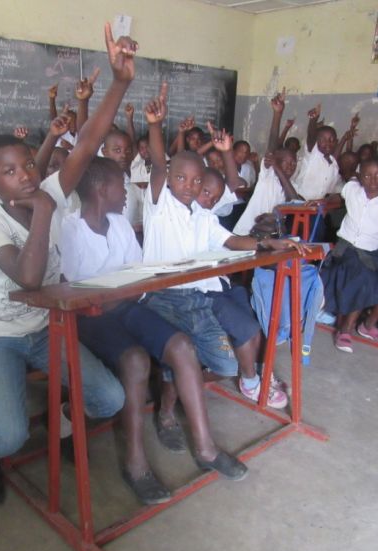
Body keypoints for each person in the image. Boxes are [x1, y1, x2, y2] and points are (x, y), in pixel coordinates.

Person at [0, 23, 137, 509]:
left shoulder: (49, 192)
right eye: (9, 171)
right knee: (10, 435)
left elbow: (87, 143)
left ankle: (61, 418)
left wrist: (119, 82)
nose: (25, 175)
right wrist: (43, 209)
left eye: (28, 165)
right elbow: (28, 278)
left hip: (46, 329)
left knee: (109, 399)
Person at [61, 157, 248, 502]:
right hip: (88, 317)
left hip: (126, 305)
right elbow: (71, 291)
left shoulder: (119, 225)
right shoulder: (69, 229)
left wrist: (128, 293)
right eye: (121, 185)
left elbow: (138, 274)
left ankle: (206, 448)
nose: (127, 193)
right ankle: (135, 464)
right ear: (101, 189)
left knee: (182, 346)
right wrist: (117, 293)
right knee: (135, 361)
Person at [142, 82, 309, 414]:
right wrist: (155, 125)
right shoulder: (160, 205)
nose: (189, 186)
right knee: (185, 348)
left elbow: (232, 241)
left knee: (227, 363)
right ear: (169, 178)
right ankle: (170, 392)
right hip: (161, 294)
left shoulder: (203, 216)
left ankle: (185, 368)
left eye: (196, 181)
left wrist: (268, 243)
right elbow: (159, 164)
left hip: (195, 295)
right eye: (181, 178)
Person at [321, 159, 378, 353]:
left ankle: (368, 324)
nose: (373, 180)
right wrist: (323, 202)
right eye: (367, 175)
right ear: (360, 177)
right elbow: (337, 195)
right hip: (347, 249)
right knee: (363, 277)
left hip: (372, 251)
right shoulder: (352, 189)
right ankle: (345, 330)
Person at [233, 149, 300, 236]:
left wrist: (277, 166)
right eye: (286, 162)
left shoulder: (292, 186)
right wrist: (275, 165)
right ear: (276, 161)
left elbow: (295, 203)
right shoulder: (268, 175)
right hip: (245, 232)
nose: (290, 166)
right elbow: (267, 161)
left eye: (294, 163)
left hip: (267, 235)